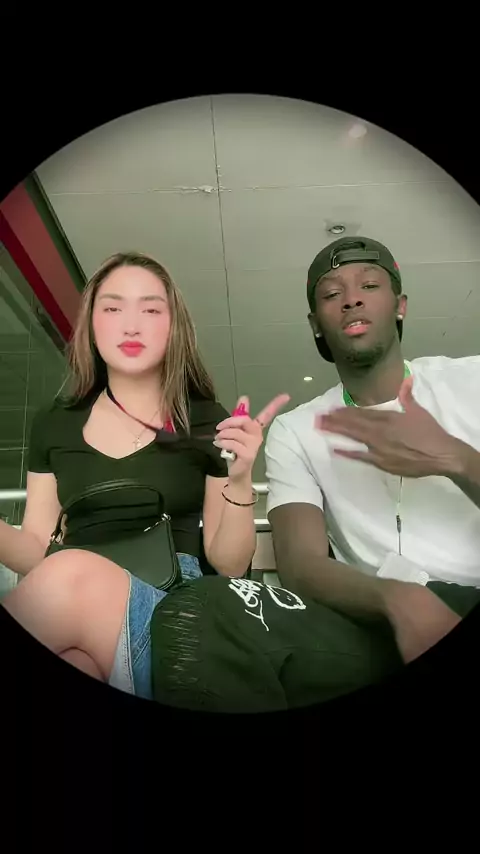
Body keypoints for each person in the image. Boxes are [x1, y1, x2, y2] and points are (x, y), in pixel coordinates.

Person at [0, 250, 288, 697]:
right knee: (75, 658)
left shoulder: (206, 420)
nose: (131, 326)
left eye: (151, 310)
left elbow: (230, 564)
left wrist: (240, 478)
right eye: (113, 309)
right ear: (91, 325)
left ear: (174, 327)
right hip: (73, 603)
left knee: (68, 569)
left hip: (172, 609)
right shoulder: (53, 423)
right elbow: (35, 547)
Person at [265, 236, 480, 664]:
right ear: (315, 324)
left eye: (369, 285)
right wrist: (396, 599)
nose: (351, 300)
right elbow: (300, 563)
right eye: (332, 294)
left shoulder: (471, 381)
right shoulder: (295, 430)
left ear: (400, 305)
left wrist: (454, 457)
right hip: (373, 617)